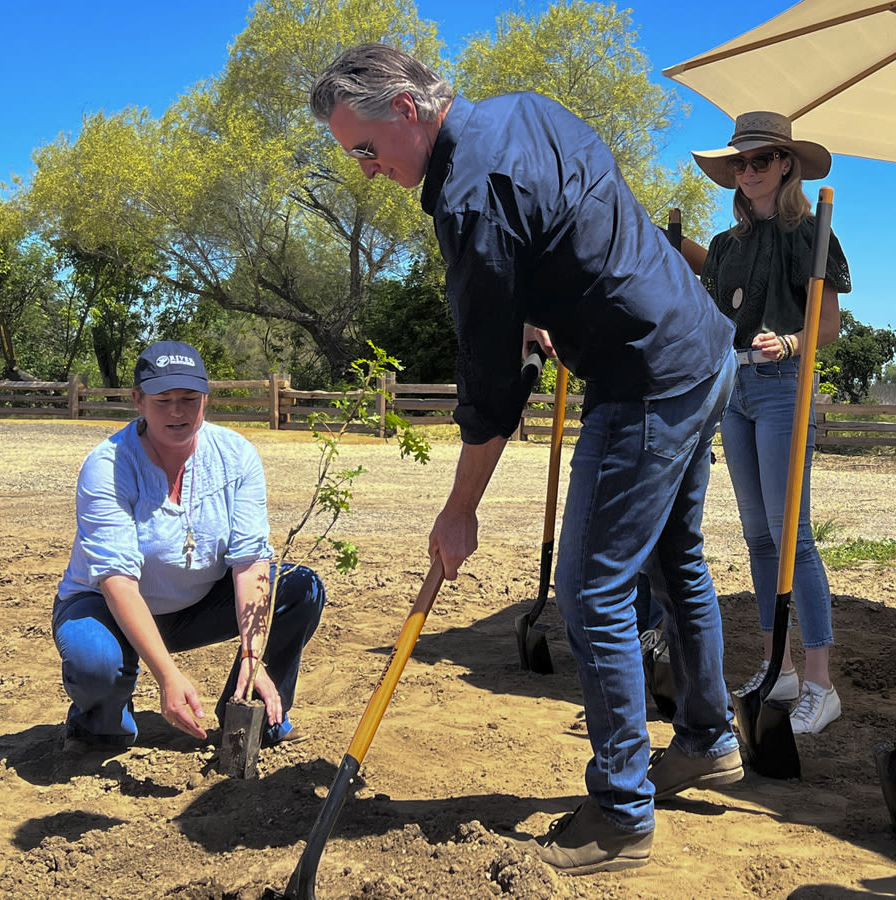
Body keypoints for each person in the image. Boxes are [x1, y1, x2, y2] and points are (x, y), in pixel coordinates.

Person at [311, 44, 741, 875]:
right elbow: (582, 218)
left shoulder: (468, 201)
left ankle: (621, 813)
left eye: (364, 148)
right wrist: (545, 304)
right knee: (674, 560)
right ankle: (706, 738)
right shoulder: (522, 109)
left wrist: (460, 509)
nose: (364, 170)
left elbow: (489, 387)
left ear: (406, 109)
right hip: (702, 348)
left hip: (644, 377)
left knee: (593, 588)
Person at [52, 341, 326, 754]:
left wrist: (254, 656)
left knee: (301, 588)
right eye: (163, 400)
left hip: (196, 605)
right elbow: (117, 581)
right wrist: (167, 675)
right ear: (138, 401)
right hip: (107, 605)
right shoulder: (107, 465)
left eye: (188, 399)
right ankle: (100, 726)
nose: (177, 412)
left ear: (205, 400)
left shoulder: (236, 456)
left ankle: (253, 712)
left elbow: (251, 563)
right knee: (96, 662)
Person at [691, 112, 849, 736]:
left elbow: (829, 328)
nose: (748, 171)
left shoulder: (811, 233)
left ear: (786, 164)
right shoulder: (727, 246)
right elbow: (714, 301)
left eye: (760, 160)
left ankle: (820, 682)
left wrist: (788, 342)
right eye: (739, 163)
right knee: (758, 536)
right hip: (737, 388)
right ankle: (776, 667)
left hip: (784, 386)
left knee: (793, 536)